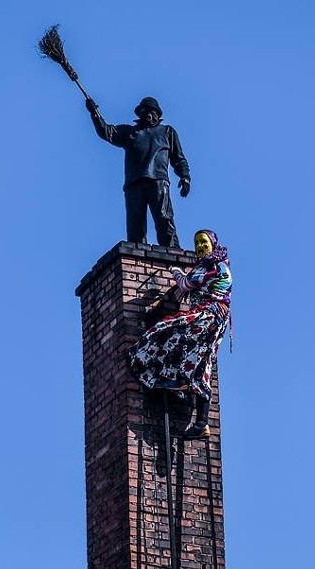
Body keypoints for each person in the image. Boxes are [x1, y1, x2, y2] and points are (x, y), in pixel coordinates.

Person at [128, 229, 232, 438]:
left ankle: (174, 379)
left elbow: (185, 284)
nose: (200, 247)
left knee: (164, 331)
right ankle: (201, 422)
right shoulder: (215, 265)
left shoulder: (212, 266)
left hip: (208, 316)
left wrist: (175, 271)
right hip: (214, 320)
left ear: (213, 244)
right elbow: (184, 290)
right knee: (202, 362)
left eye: (204, 242)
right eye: (197, 243)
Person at [85, 96, 191, 247]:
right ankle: (137, 257)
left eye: (151, 111)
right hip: (134, 183)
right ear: (139, 114)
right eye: (144, 111)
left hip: (158, 182)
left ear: (157, 114)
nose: (148, 114)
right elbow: (106, 131)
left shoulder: (167, 132)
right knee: (136, 225)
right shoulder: (130, 132)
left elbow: (179, 158)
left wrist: (185, 176)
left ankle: (172, 254)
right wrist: (94, 113)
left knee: (164, 219)